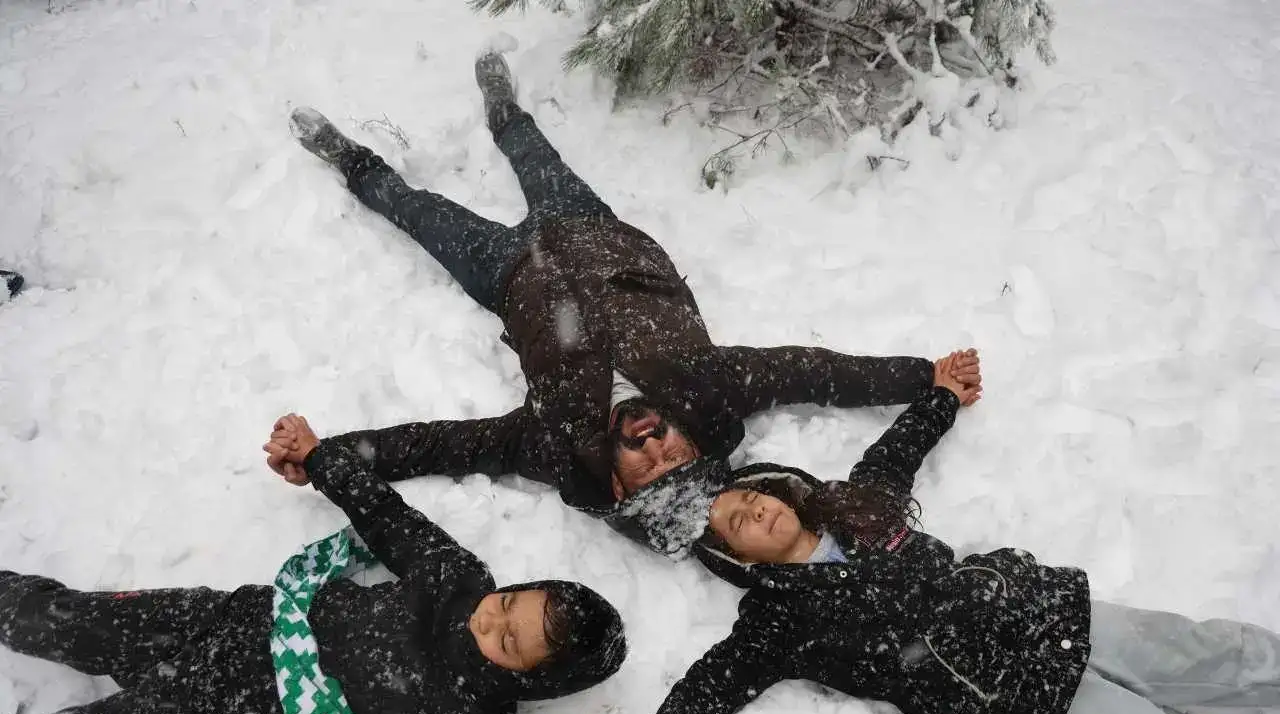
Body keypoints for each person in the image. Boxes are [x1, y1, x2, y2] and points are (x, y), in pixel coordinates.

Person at [272, 49, 981, 522]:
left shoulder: (556, 442)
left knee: (418, 212)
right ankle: (504, 110)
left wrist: (327, 459)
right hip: (599, 237)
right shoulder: (709, 388)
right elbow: (814, 371)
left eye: (647, 466)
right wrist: (925, 376)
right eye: (675, 454)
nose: (654, 444)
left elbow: (445, 445)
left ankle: (353, 160)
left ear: (617, 482)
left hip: (510, 273)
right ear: (693, 441)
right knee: (536, 155)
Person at [636, 354, 1280, 714]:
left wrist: (940, 395)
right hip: (1009, 698)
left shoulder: (855, 508)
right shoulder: (776, 622)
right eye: (738, 524)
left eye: (754, 499)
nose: (756, 514)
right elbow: (713, 683)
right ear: (737, 557)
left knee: (1196, 653)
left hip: (1032, 609)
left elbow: (898, 450)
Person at [0, 414, 626, 714]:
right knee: (66, 619)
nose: (490, 621)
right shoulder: (457, 580)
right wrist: (322, 457)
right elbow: (388, 519)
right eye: (509, 603)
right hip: (237, 623)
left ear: (530, 682)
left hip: (231, 710)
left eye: (508, 643)